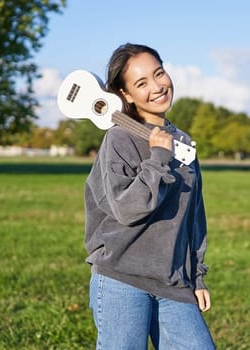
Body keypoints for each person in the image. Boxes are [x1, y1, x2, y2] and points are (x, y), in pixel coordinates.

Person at [82, 43, 215, 349]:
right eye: (141, 83)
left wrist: (197, 276)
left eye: (159, 74)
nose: (157, 87)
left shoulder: (182, 142)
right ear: (125, 94)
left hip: (173, 281)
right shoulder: (119, 138)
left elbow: (194, 217)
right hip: (121, 279)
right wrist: (158, 158)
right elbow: (128, 209)